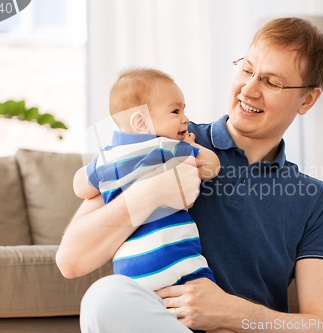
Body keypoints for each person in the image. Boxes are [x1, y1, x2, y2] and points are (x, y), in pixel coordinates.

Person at [56, 18, 323, 333]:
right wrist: (152, 192)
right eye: (247, 69)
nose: (249, 88)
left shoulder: (312, 199)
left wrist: (232, 313)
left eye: (272, 81)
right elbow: (71, 260)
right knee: (105, 298)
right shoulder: (166, 146)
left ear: (308, 99)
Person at [72, 68, 221, 292]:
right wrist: (192, 145)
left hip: (132, 273)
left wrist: (101, 175)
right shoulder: (164, 146)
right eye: (175, 111)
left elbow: (80, 187)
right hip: (178, 261)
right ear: (141, 123)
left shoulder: (106, 159)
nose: (185, 119)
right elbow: (212, 166)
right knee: (212, 310)